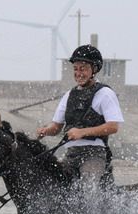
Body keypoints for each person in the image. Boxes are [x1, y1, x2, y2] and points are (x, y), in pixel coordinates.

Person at [36, 44, 124, 187]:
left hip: (94, 154)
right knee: (53, 187)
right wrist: (45, 131)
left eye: (82, 69)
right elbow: (56, 127)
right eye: (75, 69)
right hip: (71, 154)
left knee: (87, 190)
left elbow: (113, 127)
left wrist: (82, 132)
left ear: (94, 69)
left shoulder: (105, 94)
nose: (78, 73)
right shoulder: (69, 95)